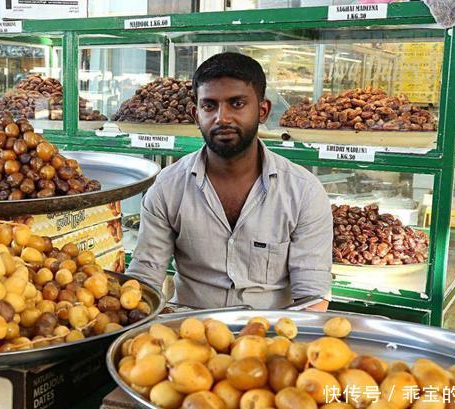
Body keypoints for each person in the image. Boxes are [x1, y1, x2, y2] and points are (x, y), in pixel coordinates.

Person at [127, 52, 332, 311]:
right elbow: (145, 280)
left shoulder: (304, 192)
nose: (221, 118)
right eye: (209, 106)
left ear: (263, 110)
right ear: (195, 113)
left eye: (236, 104)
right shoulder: (167, 188)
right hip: (187, 334)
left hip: (270, 338)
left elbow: (312, 298)